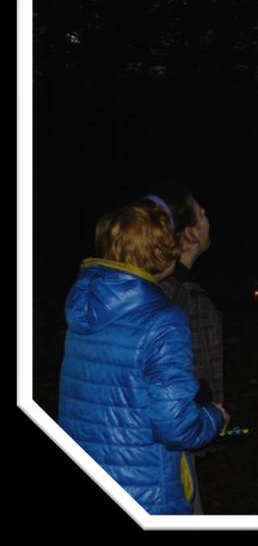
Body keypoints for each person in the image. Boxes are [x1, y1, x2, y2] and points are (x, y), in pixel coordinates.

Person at [58, 200, 226, 515]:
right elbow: (176, 427)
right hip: (144, 490)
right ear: (162, 251)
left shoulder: (83, 307)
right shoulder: (162, 320)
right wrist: (214, 418)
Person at [143, 182, 223, 515]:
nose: (208, 219)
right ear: (189, 234)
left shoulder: (141, 286)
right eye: (202, 215)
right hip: (170, 458)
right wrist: (212, 421)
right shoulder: (187, 301)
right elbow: (201, 387)